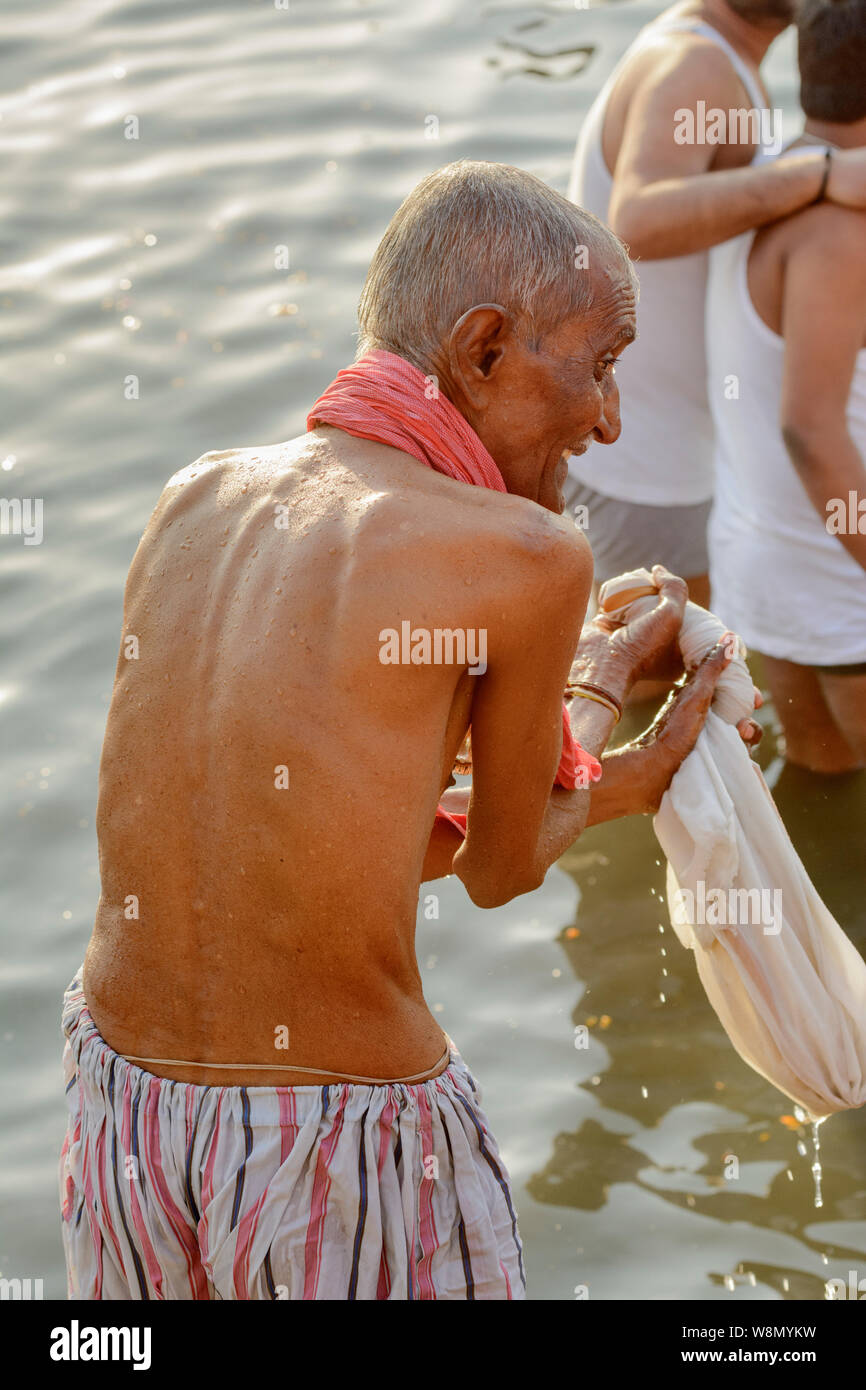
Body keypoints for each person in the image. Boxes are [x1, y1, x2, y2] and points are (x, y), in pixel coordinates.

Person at [59, 161, 760, 1301]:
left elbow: (308, 836)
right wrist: (614, 692)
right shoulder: (532, 558)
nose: (610, 417)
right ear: (482, 348)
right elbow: (501, 864)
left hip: (123, 1109)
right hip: (341, 1133)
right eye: (600, 365)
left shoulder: (194, 494)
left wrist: (604, 741)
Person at [563, 0, 866, 612]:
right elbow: (637, 219)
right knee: (648, 684)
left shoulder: (715, 56)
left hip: (661, 453)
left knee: (680, 684)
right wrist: (822, 172)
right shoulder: (695, 63)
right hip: (646, 463)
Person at [706, 0, 866, 773]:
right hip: (841, 588)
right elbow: (812, 427)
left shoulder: (769, 174)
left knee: (823, 780)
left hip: (761, 565)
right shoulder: (843, 237)